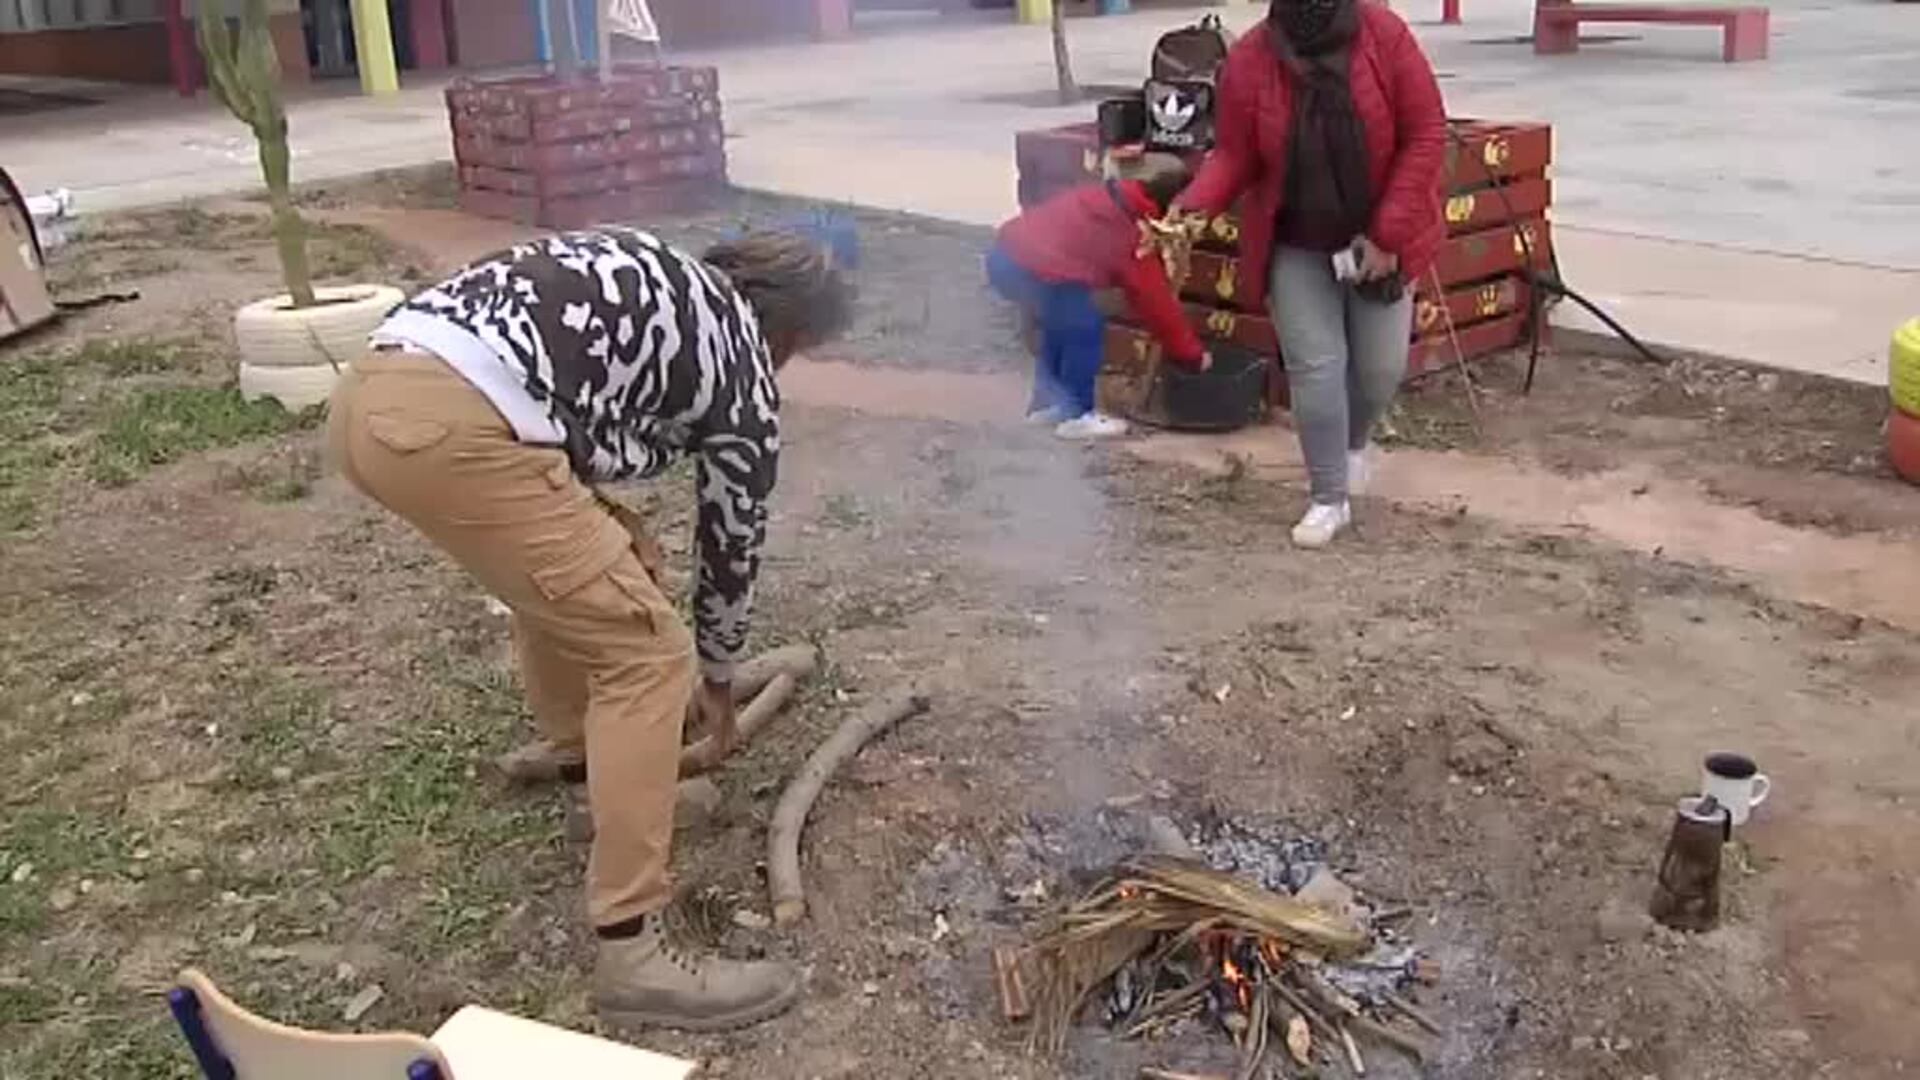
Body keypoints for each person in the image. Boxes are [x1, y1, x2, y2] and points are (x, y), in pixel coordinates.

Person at [327, 227, 852, 1031]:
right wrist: (712, 681)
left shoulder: (655, 277)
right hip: (456, 426)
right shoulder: (742, 355)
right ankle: (634, 949)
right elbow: (731, 536)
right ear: (790, 329)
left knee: (606, 567)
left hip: (374, 394)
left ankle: (587, 771)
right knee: (646, 656)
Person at [1177, 0, 1446, 547]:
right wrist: (1190, 209)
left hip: (1379, 238)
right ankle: (1328, 497)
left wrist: (1388, 234)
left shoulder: (1382, 34)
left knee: (1377, 371)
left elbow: (1425, 134)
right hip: (1296, 240)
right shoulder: (1252, 56)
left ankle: (1351, 448)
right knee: (1316, 370)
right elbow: (1233, 155)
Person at [988, 157, 1212, 441]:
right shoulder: (1132, 232)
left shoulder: (1102, 197)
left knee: (1061, 324)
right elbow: (1156, 303)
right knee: (1084, 328)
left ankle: (1047, 405)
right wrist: (1192, 355)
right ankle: (1078, 415)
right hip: (1029, 267)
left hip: (1005, 255)